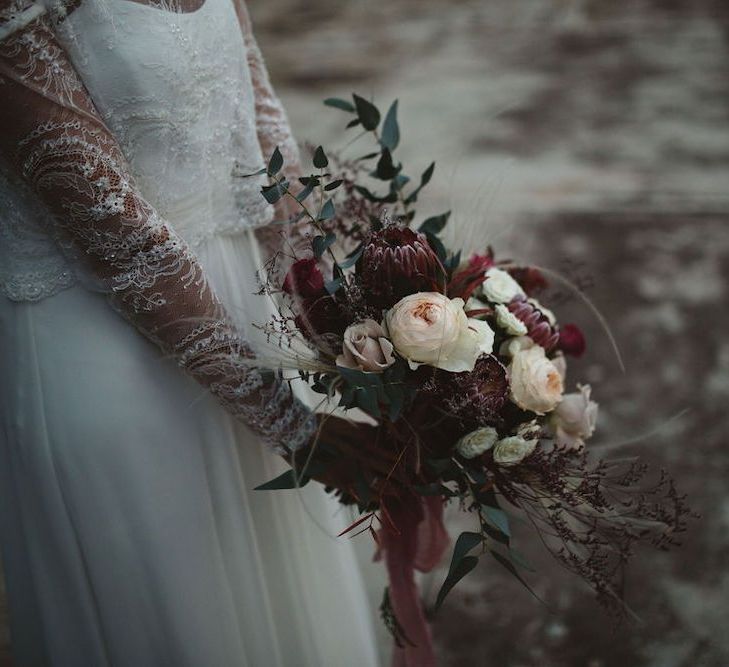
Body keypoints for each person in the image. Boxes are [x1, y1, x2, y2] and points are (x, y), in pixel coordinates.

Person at [0, 0, 382, 664]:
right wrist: (290, 425)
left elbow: (265, 142)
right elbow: (115, 232)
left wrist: (339, 326)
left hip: (247, 320)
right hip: (105, 355)